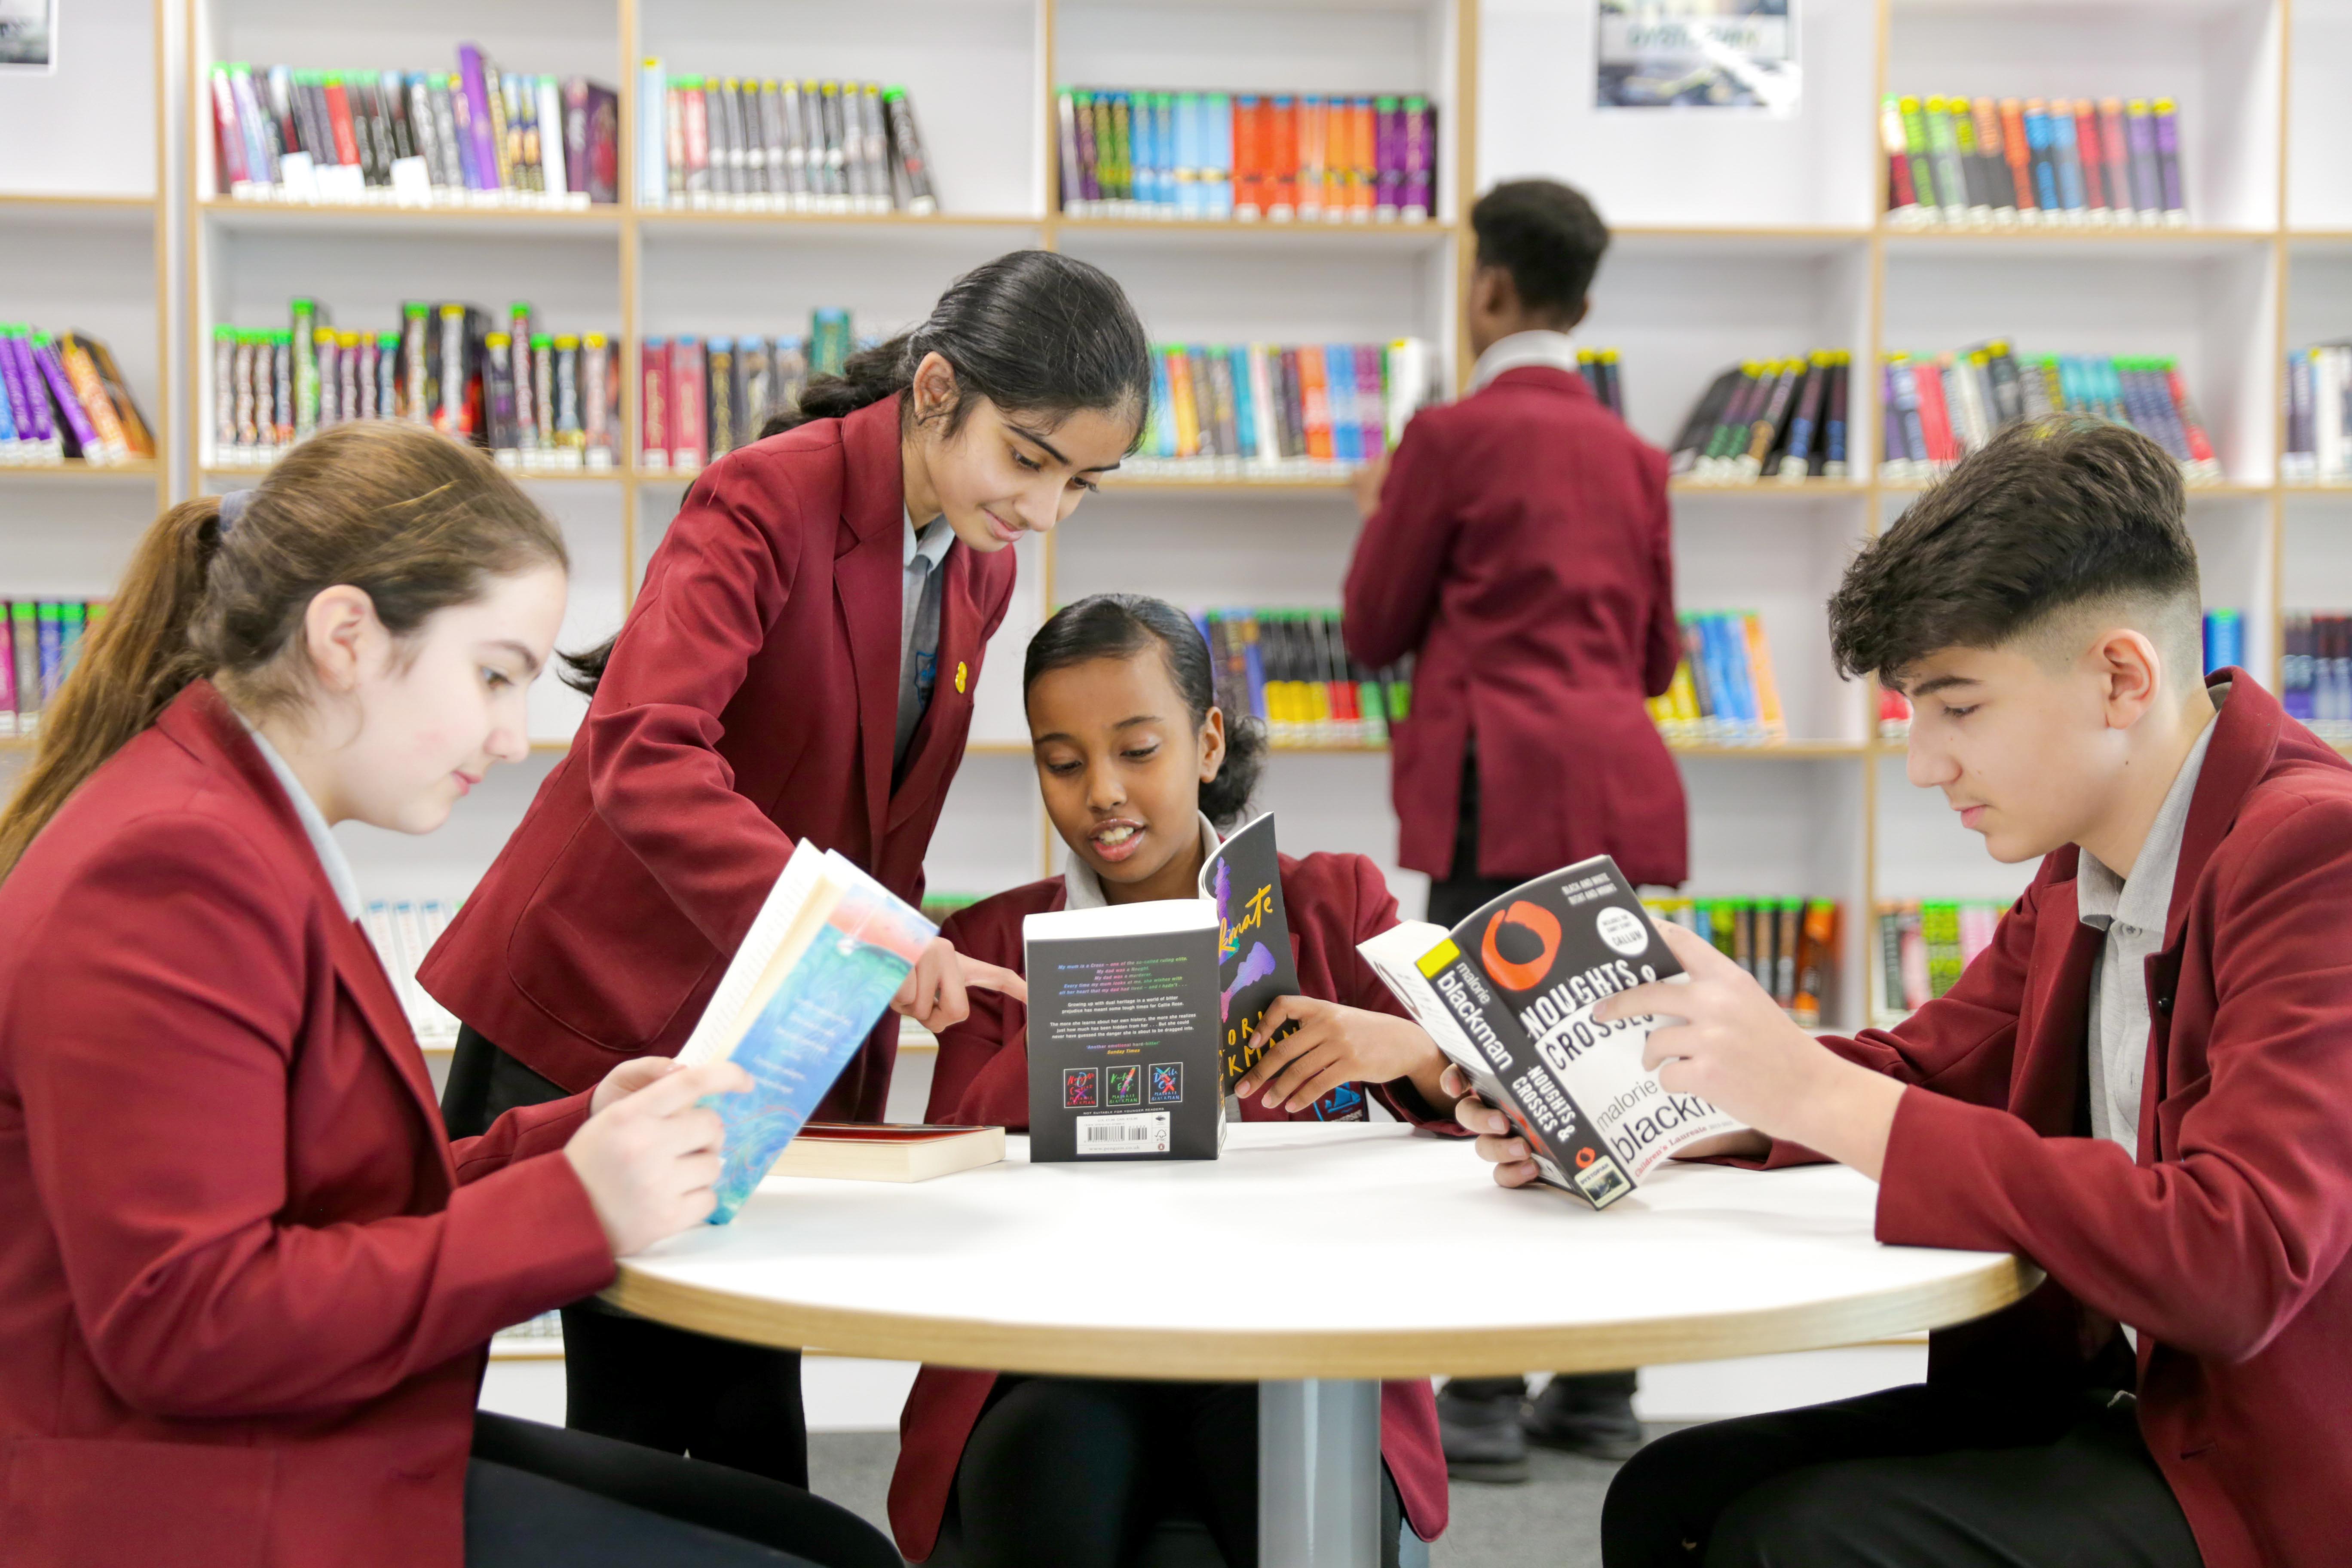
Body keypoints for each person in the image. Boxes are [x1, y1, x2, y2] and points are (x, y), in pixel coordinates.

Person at [0, 423, 902, 1568]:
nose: (514, 738)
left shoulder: (228, 824)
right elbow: (191, 1320)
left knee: (817, 1539)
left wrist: (577, 1134)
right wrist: (578, 1206)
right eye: (492, 676)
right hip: (202, 1495)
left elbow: (322, 1205)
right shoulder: (173, 870)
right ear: (345, 639)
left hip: (288, 1437)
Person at [1461, 416, 2352, 1568]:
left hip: (2263, 1475)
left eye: (1960, 707)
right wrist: (1657, 1102)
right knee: (1665, 1495)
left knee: (1799, 1541)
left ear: (2121, 678)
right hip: (2120, 1401)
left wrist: (1814, 1094)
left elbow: (2237, 1260)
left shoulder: (2313, 855)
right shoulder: (2084, 859)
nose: (1927, 762)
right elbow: (1924, 1068)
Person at [419, 251, 1151, 1483]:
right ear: (934, 390)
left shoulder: (983, 558)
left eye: (1085, 483)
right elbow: (642, 754)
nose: (1047, 509)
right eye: (1030, 461)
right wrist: (870, 935)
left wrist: (890, 978)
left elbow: (881, 823)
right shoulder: (764, 497)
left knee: (750, 1401)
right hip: (606, 1000)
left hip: (761, 1030)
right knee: (644, 1403)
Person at [882, 594, 1458, 1568]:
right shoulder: (990, 945)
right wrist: (1074, 1022)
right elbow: (956, 1182)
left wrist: (1409, 1053)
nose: (1101, 792)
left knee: (1305, 1489)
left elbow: (1488, 1098)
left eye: (1138, 751)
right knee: (1046, 1473)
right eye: (1063, 764)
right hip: (1060, 1341)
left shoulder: (1331, 904)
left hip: (1284, 1333)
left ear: (1208, 744)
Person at [1344, 177, 1681, 1475]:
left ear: (1487, 286)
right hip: (1615, 788)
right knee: (1621, 1072)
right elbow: (1655, 656)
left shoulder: (1451, 438)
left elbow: (1373, 625)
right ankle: (1601, 1390)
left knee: (1486, 1071)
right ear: (1584, 302)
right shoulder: (1635, 457)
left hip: (1494, 784)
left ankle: (1480, 1397)